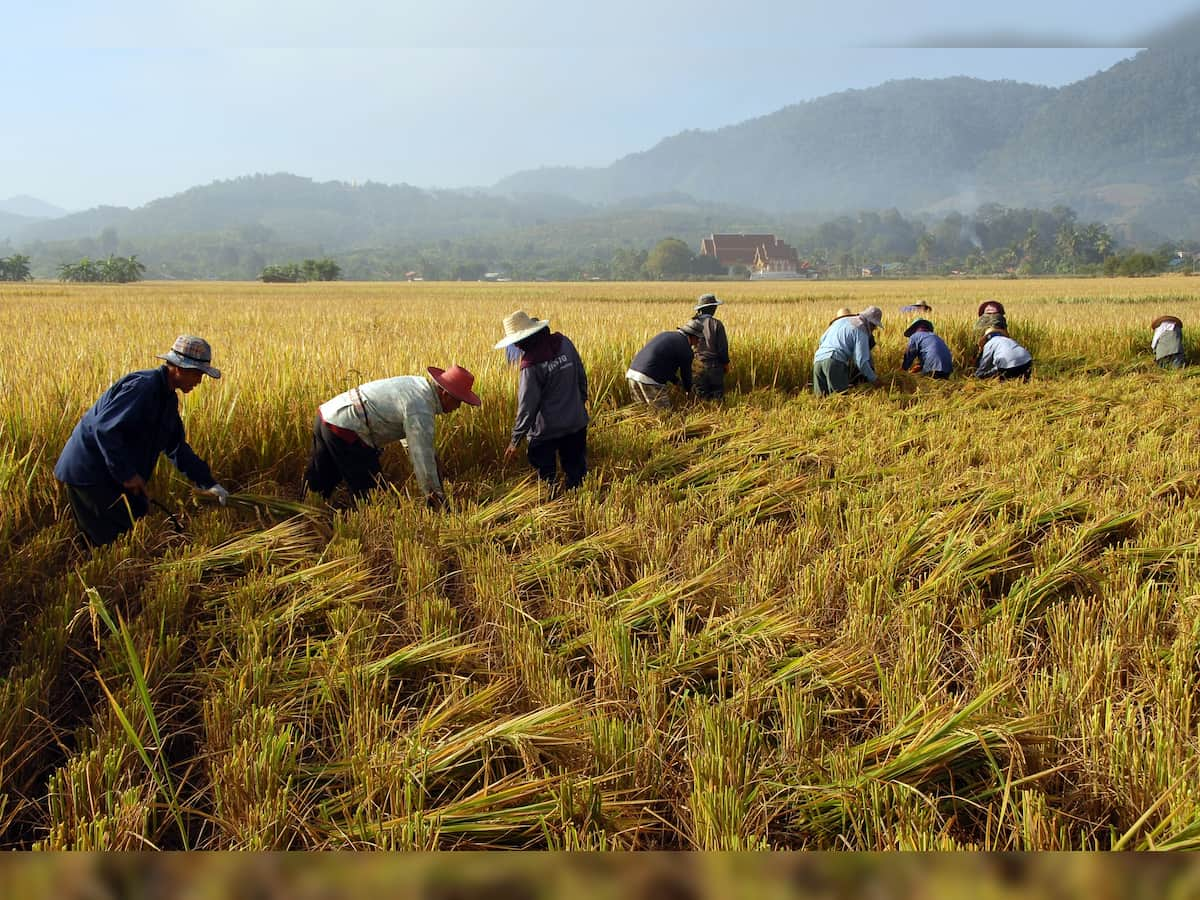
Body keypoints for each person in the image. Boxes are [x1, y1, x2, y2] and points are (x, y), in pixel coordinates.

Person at [54, 335, 230, 547]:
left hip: (110, 473)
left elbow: (176, 448)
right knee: (112, 542)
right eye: (197, 374)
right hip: (91, 474)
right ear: (179, 368)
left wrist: (209, 483)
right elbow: (105, 430)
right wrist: (127, 475)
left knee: (133, 519)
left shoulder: (167, 399)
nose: (199, 381)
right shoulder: (143, 388)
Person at [303, 365, 480, 506]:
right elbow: (421, 456)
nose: (458, 407)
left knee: (320, 483)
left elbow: (412, 438)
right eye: (458, 401)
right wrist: (435, 497)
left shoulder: (417, 386)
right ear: (444, 393)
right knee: (373, 495)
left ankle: (304, 517)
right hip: (348, 429)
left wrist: (433, 460)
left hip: (327, 416)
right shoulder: (421, 407)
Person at [494, 310, 589, 491]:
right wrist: (579, 405)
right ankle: (577, 501)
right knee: (577, 475)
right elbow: (581, 377)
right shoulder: (565, 343)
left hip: (546, 431)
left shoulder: (530, 364)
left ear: (522, 341)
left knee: (546, 479)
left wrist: (515, 440)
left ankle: (552, 502)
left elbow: (527, 407)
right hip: (576, 423)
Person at [626, 320, 703, 409]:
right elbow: (686, 374)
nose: (698, 342)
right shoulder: (686, 348)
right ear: (693, 336)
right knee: (663, 414)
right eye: (698, 338)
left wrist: (676, 382)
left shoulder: (666, 335)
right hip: (649, 380)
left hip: (632, 374)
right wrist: (689, 391)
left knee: (641, 412)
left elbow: (663, 365)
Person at [812, 306, 883, 396]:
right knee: (840, 400)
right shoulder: (861, 328)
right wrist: (874, 379)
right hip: (834, 362)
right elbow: (861, 361)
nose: (874, 329)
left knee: (821, 400)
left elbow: (821, 340)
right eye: (874, 326)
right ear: (870, 323)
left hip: (818, 361)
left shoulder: (839, 323)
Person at [691, 293, 730, 400]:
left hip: (696, 365)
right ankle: (718, 415)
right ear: (712, 308)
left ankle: (705, 416)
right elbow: (722, 348)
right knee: (717, 397)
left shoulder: (692, 324)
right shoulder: (717, 324)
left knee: (701, 397)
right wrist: (726, 363)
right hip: (714, 365)